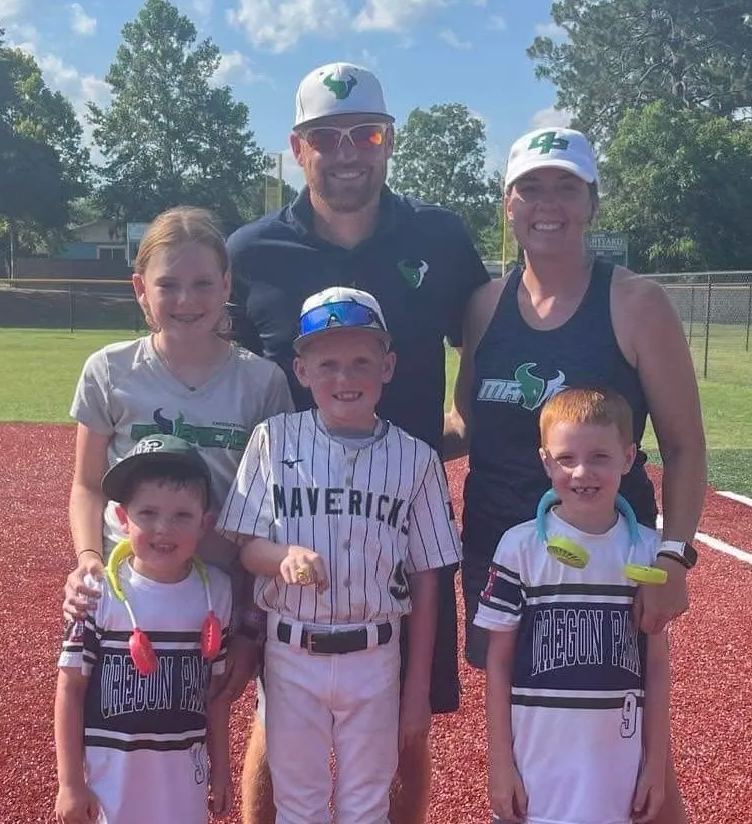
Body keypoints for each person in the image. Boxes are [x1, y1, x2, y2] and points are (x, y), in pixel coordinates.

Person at [227, 62, 489, 824]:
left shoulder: (440, 236)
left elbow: (488, 336)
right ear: (297, 148)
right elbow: (226, 372)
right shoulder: (251, 251)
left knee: (407, 734)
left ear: (389, 140)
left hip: (398, 522)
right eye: (326, 137)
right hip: (288, 526)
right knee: (275, 730)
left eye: (365, 135)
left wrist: (449, 434)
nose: (347, 152)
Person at [445, 127, 706, 824]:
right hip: (504, 554)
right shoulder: (484, 305)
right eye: (530, 188)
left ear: (592, 202)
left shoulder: (636, 302)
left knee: (633, 752)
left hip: (608, 561)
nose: (548, 203)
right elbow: (466, 422)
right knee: (530, 732)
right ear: (508, 203)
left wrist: (674, 557)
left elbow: (685, 448)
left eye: (566, 187)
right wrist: (361, 436)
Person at [218, 287, 461, 824]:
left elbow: (428, 578)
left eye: (360, 362)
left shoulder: (416, 458)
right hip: (291, 654)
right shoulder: (274, 439)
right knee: (297, 805)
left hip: (376, 657)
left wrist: (417, 689)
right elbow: (248, 546)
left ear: (387, 366)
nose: (344, 378)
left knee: (366, 807)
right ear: (301, 370)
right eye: (327, 364)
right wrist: (282, 556)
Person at [62, 206, 294, 702]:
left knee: (205, 723)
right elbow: (87, 484)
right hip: (131, 586)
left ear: (226, 284)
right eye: (168, 285)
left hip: (217, 596)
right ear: (140, 289)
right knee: (114, 723)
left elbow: (272, 513)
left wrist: (250, 625)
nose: (186, 300)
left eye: (203, 283)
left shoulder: (262, 382)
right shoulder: (110, 369)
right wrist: (88, 560)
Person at [476, 387, 670, 824]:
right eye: (566, 458)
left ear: (628, 458)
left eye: (600, 456)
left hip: (615, 777)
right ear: (546, 461)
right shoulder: (519, 548)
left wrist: (654, 765)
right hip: (537, 774)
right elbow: (499, 663)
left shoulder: (647, 551)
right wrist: (500, 764)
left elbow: (657, 665)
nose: (583, 471)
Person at [54, 434, 234, 824]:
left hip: (183, 785)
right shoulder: (96, 593)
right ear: (122, 519)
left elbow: (215, 697)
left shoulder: (217, 593)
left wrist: (221, 767)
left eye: (182, 515)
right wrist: (69, 783)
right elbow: (70, 689)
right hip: (111, 787)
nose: (163, 528)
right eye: (147, 513)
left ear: (204, 523)